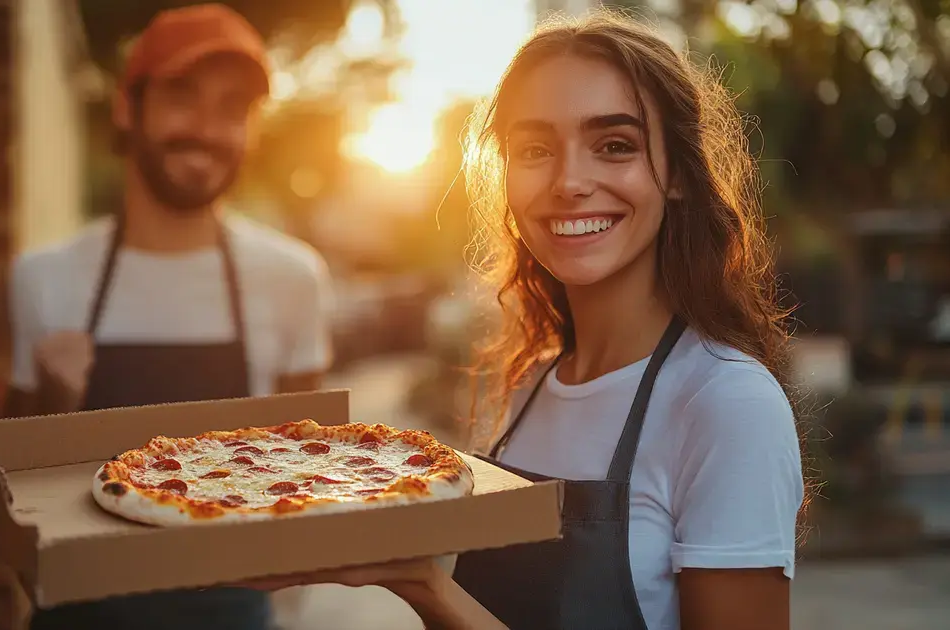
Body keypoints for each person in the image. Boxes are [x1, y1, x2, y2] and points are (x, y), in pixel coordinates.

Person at [244, 10, 805, 630]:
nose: (568, 182)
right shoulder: (531, 386)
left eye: (615, 145)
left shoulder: (727, 404)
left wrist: (428, 586)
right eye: (534, 149)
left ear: (676, 175)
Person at [3, 5, 332, 630]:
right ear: (128, 107)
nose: (207, 129)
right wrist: (51, 404)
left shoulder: (292, 280)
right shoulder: (46, 278)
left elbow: (304, 482)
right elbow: (7, 499)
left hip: (231, 612)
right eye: (183, 96)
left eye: (232, 108)